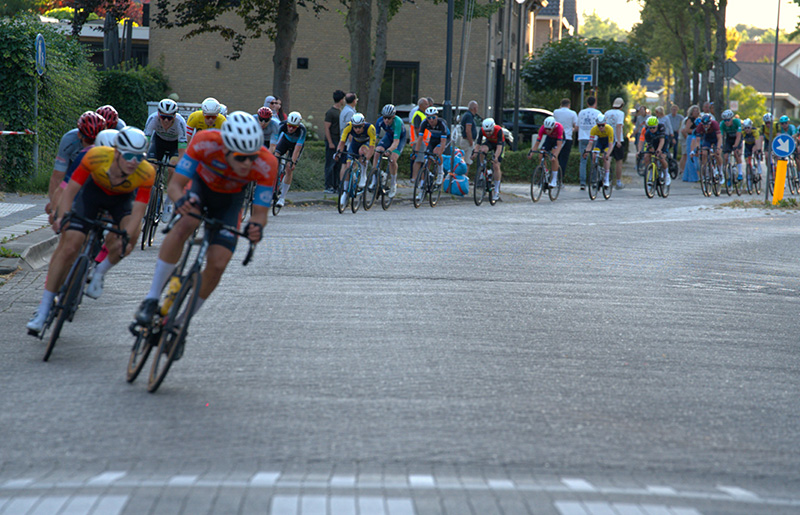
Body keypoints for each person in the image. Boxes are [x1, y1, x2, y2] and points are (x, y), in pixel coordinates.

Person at [134, 112, 276, 337]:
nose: (247, 163)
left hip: (230, 202)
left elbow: (260, 214)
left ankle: (182, 321)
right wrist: (181, 202)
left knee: (219, 263)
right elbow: (175, 186)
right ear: (225, 148)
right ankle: (151, 299)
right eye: (241, 157)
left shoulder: (267, 162)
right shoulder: (205, 142)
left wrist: (256, 228)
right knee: (186, 222)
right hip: (200, 187)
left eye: (252, 156)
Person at [27, 127, 155, 334]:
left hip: (121, 201)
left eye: (139, 157)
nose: (134, 162)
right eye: (128, 156)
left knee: (130, 238)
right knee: (70, 245)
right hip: (92, 195)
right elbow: (70, 191)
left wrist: (125, 238)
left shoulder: (146, 172)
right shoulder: (96, 156)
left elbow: (139, 212)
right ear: (117, 152)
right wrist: (61, 217)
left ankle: (99, 272)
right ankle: (43, 310)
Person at [47, 111, 107, 223]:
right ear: (79, 135)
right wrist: (54, 208)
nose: (91, 145)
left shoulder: (109, 142)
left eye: (95, 141)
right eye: (88, 140)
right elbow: (57, 178)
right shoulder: (69, 140)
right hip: (76, 168)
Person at [273, 111, 307, 208]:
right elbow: (275, 142)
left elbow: (297, 149)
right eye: (289, 126)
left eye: (294, 127)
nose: (291, 128)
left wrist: (293, 162)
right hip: (285, 141)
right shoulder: (282, 125)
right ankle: (275, 180)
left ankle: (282, 198)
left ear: (298, 126)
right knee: (275, 158)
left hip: (295, 146)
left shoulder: (302, 130)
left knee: (289, 168)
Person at [372, 104, 407, 198]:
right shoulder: (379, 121)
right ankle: (374, 178)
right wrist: (372, 147)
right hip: (388, 136)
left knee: (392, 159)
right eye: (384, 117)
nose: (386, 120)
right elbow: (375, 138)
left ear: (393, 116)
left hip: (399, 139)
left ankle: (393, 183)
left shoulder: (397, 122)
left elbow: (396, 142)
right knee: (377, 152)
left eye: (389, 118)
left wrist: (389, 150)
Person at [411, 106, 450, 189]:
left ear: (437, 117)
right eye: (429, 118)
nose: (431, 120)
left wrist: (439, 153)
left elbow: (443, 141)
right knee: (426, 160)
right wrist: (416, 152)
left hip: (444, 138)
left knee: (436, 151)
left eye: (433, 117)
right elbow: (420, 138)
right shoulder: (424, 123)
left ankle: (440, 173)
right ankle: (423, 183)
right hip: (433, 138)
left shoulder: (441, 123)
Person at [144, 98, 188, 163]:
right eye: (163, 117)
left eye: (169, 118)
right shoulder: (152, 118)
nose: (166, 120)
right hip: (158, 141)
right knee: (151, 165)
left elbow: (182, 147)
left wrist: (180, 164)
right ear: (158, 114)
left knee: (173, 165)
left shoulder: (180, 122)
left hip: (175, 144)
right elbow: (145, 141)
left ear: (174, 116)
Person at [528, 116, 564, 189]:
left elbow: (559, 145)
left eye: (549, 129)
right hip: (549, 139)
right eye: (546, 129)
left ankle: (554, 179)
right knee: (541, 155)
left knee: (553, 157)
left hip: (558, 140)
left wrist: (555, 155)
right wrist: (531, 152)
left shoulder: (559, 127)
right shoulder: (542, 128)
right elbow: (537, 142)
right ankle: (546, 173)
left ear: (553, 127)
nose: (547, 131)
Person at [474, 117, 505, 201]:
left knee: (496, 165)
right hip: (490, 142)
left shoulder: (498, 130)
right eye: (486, 131)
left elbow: (499, 147)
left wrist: (496, 157)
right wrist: (475, 153)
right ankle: (483, 169)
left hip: (499, 145)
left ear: (493, 128)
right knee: (482, 150)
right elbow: (478, 144)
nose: (487, 133)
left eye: (489, 131)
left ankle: (496, 191)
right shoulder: (482, 130)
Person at [582, 114, 614, 188]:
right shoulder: (594, 129)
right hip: (600, 141)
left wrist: (608, 154)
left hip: (608, 142)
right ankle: (597, 171)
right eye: (599, 125)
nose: (601, 127)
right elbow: (590, 143)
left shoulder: (609, 129)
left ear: (605, 123)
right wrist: (586, 152)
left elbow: (611, 145)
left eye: (602, 125)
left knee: (605, 158)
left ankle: (606, 179)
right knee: (594, 155)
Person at [577, 96, 602, 189]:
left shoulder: (581, 113)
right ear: (595, 103)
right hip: (594, 138)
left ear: (587, 103)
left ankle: (582, 183)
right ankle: (594, 181)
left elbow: (578, 126)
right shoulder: (598, 113)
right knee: (594, 160)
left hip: (583, 138)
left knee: (583, 161)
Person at [324, 90, 346, 193]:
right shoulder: (331, 112)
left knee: (338, 164)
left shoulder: (341, 112)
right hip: (333, 140)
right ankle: (328, 186)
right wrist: (330, 142)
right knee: (330, 164)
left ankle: (336, 185)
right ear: (341, 100)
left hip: (339, 141)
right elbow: (326, 128)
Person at [641, 116, 671, 188]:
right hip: (653, 143)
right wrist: (651, 149)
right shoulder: (647, 133)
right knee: (647, 156)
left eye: (653, 127)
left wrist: (659, 149)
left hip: (663, 142)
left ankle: (666, 174)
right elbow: (649, 144)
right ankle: (650, 175)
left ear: (657, 125)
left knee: (661, 157)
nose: (652, 129)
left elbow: (662, 140)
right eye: (650, 128)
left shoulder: (661, 127)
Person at [691, 114, 723, 180]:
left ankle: (720, 171)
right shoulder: (699, 127)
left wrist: (718, 148)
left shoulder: (715, 124)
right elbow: (697, 140)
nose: (705, 126)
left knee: (717, 154)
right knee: (704, 153)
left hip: (716, 139)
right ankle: (706, 171)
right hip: (707, 139)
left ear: (710, 123)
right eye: (704, 125)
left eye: (707, 125)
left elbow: (719, 138)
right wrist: (697, 149)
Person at [553, 98, 578, 178]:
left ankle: (553, 176)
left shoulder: (556, 112)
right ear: (569, 105)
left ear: (561, 104)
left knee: (555, 157)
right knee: (564, 159)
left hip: (557, 137)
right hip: (567, 137)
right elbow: (576, 126)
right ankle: (560, 177)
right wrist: (572, 130)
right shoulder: (573, 113)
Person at [604, 97, 626, 189]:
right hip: (617, 139)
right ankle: (618, 182)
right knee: (619, 160)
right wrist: (618, 140)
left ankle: (606, 178)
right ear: (622, 105)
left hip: (607, 138)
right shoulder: (621, 113)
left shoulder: (607, 113)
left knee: (607, 158)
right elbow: (618, 126)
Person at [720, 109, 743, 181]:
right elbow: (720, 136)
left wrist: (736, 146)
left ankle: (740, 173)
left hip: (737, 138)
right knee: (726, 157)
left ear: (732, 119)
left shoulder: (737, 122)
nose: (726, 122)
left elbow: (738, 136)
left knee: (736, 153)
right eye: (725, 120)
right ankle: (729, 176)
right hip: (729, 139)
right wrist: (720, 145)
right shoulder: (722, 124)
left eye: (728, 120)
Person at [681, 104, 700, 181]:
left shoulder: (699, 119)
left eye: (697, 111)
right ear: (691, 112)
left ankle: (686, 177)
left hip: (697, 138)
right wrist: (695, 131)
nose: (696, 112)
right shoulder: (690, 119)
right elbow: (686, 129)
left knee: (693, 157)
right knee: (691, 157)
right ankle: (693, 177)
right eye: (694, 111)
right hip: (691, 137)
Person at [458, 101, 479, 165]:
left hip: (466, 140)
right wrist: (471, 142)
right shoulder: (469, 116)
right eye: (477, 108)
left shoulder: (467, 115)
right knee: (467, 162)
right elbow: (468, 130)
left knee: (464, 161)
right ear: (474, 108)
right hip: (467, 141)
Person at [742, 118, 762, 183]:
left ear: (751, 127)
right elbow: (740, 141)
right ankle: (749, 178)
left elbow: (757, 141)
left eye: (748, 128)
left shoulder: (755, 131)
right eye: (745, 128)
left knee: (756, 152)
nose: (747, 130)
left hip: (754, 144)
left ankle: (759, 166)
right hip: (747, 146)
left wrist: (757, 148)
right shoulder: (743, 132)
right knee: (747, 162)